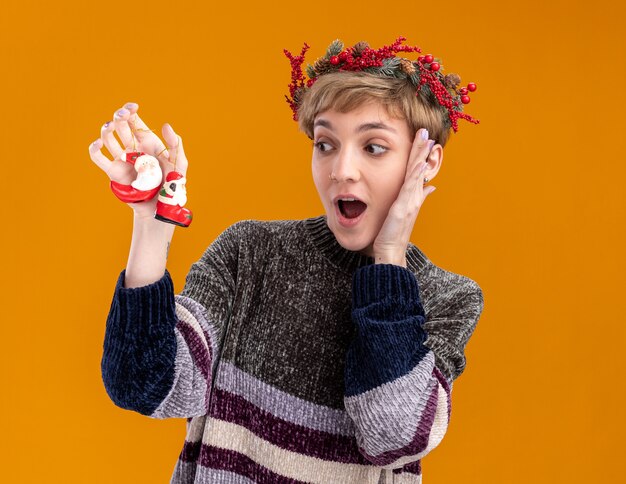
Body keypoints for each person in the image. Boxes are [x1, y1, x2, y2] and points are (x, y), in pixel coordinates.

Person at [88, 36, 485, 484]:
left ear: (427, 161)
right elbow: (142, 383)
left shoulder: (448, 297)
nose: (341, 170)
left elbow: (391, 436)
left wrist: (389, 259)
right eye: (325, 144)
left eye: (373, 147)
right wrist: (153, 218)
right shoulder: (249, 251)